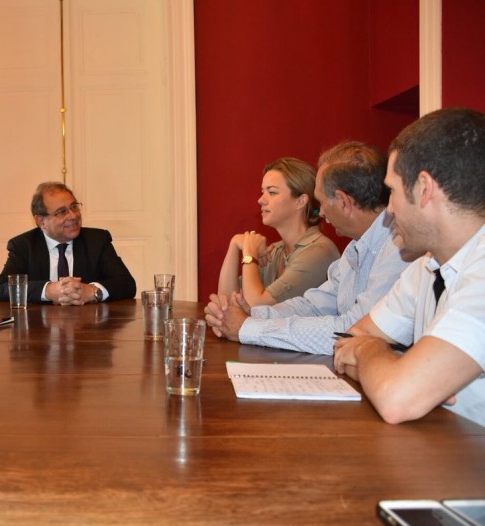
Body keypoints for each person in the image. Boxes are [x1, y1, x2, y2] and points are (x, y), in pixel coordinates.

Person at [333, 108, 485, 427]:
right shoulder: (426, 267)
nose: (388, 210)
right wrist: (408, 371)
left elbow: (396, 400)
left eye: (392, 191)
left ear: (424, 188)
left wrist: (382, 361)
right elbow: (349, 340)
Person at [204, 141, 412, 355]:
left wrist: (248, 327)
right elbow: (314, 306)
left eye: (322, 202)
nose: (320, 212)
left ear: (343, 202)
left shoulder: (398, 249)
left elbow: (354, 331)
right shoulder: (355, 247)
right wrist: (253, 315)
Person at [217, 157, 340, 306]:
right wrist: (234, 244)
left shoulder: (319, 251)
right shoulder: (275, 251)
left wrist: (249, 255)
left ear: (300, 201)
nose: (261, 200)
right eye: (262, 191)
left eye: (272, 192)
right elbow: (227, 303)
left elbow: (257, 305)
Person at [0, 181, 136, 305]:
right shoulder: (23, 246)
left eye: (74, 207)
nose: (73, 216)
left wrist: (92, 291)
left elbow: (127, 284)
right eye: (61, 212)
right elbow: (3, 288)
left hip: (89, 324)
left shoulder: (97, 240)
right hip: (40, 325)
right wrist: (49, 290)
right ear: (41, 221)